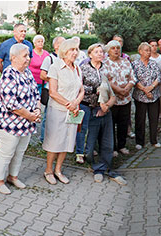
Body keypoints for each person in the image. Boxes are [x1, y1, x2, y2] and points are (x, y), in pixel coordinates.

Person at [0, 43, 41, 194]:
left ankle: (13, 177)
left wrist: (37, 109)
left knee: (20, 152)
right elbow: (10, 103)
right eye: (25, 56)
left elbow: (36, 94)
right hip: (10, 124)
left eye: (28, 55)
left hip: (26, 123)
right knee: (6, 153)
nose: (29, 58)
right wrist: (30, 115)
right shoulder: (8, 74)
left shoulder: (27, 73)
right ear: (13, 58)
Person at [80, 43, 127, 185]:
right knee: (90, 146)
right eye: (97, 52)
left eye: (101, 52)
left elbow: (111, 91)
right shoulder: (84, 68)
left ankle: (105, 168)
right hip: (90, 109)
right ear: (90, 54)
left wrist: (106, 106)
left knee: (107, 143)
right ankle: (95, 167)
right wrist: (96, 89)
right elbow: (80, 87)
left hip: (106, 109)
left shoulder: (106, 68)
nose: (100, 54)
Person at [43, 38, 83, 185]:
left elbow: (81, 90)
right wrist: (68, 104)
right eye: (72, 50)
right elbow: (52, 92)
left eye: (76, 50)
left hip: (73, 112)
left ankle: (58, 170)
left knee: (67, 140)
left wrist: (76, 103)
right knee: (55, 141)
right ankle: (48, 170)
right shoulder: (55, 67)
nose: (75, 52)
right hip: (58, 110)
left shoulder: (77, 68)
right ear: (64, 51)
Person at [101, 40, 136, 156]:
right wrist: (118, 90)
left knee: (123, 123)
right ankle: (112, 147)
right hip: (112, 100)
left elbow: (132, 77)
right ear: (108, 50)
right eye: (113, 48)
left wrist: (127, 88)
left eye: (118, 47)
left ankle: (121, 145)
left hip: (126, 98)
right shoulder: (104, 63)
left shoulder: (126, 61)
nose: (116, 50)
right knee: (110, 124)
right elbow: (104, 79)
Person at [132, 43, 161, 149]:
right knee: (140, 119)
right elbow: (134, 79)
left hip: (154, 95)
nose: (148, 52)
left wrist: (150, 88)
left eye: (149, 50)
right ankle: (140, 142)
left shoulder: (154, 64)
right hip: (140, 96)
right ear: (140, 51)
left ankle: (154, 140)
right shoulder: (135, 64)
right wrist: (145, 90)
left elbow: (158, 77)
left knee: (154, 118)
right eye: (146, 50)